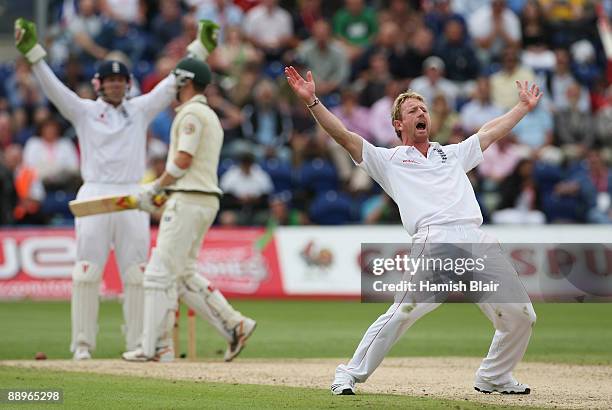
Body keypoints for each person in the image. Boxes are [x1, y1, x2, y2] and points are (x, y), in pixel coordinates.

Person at [285, 65, 541, 395]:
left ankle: (494, 375)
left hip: (478, 241)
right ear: (398, 124)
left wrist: (522, 107)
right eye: (412, 110)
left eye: (423, 109)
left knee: (522, 316)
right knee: (403, 311)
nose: (421, 113)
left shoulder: (450, 153)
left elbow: (490, 132)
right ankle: (348, 373)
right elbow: (344, 136)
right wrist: (312, 101)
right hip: (435, 241)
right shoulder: (389, 160)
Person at [14, 17, 219, 360]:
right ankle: (82, 346)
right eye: (109, 81)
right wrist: (34, 54)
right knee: (86, 272)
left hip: (130, 196)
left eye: (120, 81)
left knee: (137, 275)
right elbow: (54, 89)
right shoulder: (84, 111)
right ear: (98, 84)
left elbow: (173, 83)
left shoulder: (138, 110)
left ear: (128, 84)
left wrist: (200, 49)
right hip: (94, 193)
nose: (114, 86)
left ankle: (138, 344)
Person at [122, 57, 256, 362]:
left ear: (186, 82)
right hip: (201, 199)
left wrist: (155, 187)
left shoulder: (192, 114)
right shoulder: (206, 113)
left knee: (158, 274)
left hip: (189, 198)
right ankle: (235, 324)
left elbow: (183, 160)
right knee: (182, 273)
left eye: (176, 82)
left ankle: (152, 347)